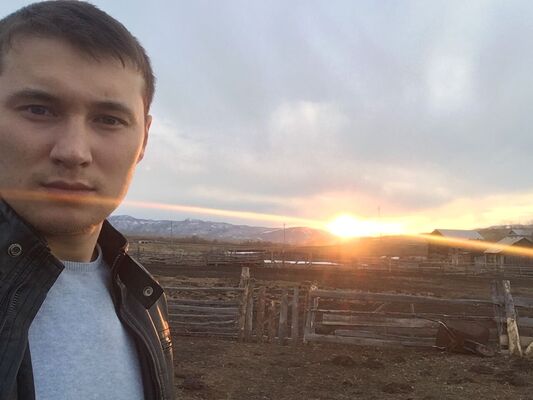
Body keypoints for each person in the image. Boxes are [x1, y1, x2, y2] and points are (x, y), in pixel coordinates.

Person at [0, 1, 175, 399]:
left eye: (109, 119)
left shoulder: (144, 302)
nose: (73, 152)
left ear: (144, 140)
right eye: (39, 109)